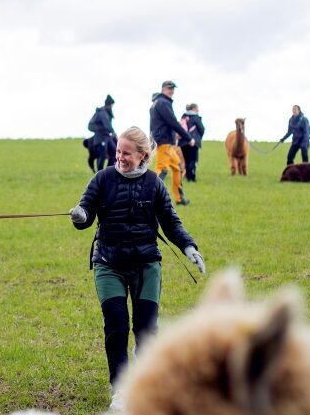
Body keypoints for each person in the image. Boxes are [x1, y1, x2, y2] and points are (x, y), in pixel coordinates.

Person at [69, 126, 205, 412]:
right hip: (109, 264)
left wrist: (189, 247)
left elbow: (171, 222)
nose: (120, 157)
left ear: (142, 155)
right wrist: (80, 216)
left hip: (146, 265)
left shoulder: (154, 183)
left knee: (146, 330)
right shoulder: (102, 178)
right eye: (118, 152)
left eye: (126, 153)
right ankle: (120, 391)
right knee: (116, 326)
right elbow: (85, 212)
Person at [150, 81, 194, 205]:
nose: (172, 91)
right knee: (162, 170)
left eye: (173, 88)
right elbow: (173, 122)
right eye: (169, 88)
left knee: (178, 168)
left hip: (165, 142)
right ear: (163, 89)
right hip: (163, 142)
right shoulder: (163, 103)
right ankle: (151, 199)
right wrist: (188, 138)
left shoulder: (157, 103)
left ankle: (179, 199)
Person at [88, 95, 117, 171]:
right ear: (108, 104)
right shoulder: (102, 113)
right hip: (100, 138)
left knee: (114, 152)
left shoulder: (106, 113)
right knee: (102, 155)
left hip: (107, 137)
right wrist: (114, 133)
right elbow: (107, 125)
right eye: (111, 105)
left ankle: (108, 171)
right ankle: (99, 173)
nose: (112, 107)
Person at [179, 103, 204, 182]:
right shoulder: (196, 117)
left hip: (183, 142)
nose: (198, 109)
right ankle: (192, 178)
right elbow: (202, 129)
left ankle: (187, 176)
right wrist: (198, 138)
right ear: (193, 108)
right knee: (193, 160)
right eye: (197, 108)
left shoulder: (183, 117)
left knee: (186, 160)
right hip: (193, 142)